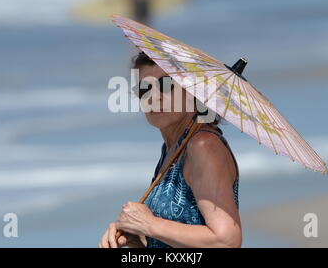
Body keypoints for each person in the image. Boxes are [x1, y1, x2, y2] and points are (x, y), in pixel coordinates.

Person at [99, 52, 242, 248]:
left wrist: (149, 224)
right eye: (144, 88)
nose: (153, 96)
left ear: (193, 91)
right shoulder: (172, 148)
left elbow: (226, 241)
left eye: (166, 86)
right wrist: (138, 239)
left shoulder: (202, 146)